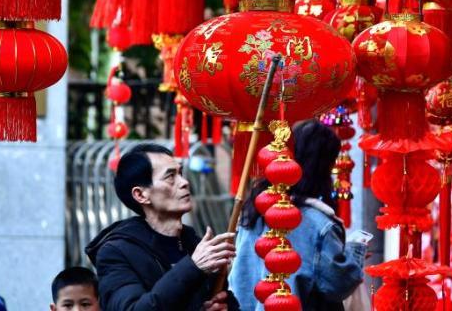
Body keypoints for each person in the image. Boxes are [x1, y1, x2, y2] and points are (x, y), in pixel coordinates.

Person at [229, 120, 366, 310]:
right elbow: (338, 284)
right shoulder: (317, 223)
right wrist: (355, 250)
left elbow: (237, 280)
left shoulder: (254, 211)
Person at [86, 143, 236, 311]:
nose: (184, 182)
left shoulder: (194, 244)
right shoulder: (116, 252)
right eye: (170, 176)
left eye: (180, 173)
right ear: (141, 195)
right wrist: (192, 267)